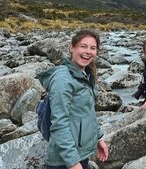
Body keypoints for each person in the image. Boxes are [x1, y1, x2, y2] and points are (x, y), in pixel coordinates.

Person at [38, 29, 109, 169]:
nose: (88, 51)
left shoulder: (85, 74)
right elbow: (59, 124)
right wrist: (73, 163)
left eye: (93, 48)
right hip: (63, 161)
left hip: (80, 153)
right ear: (72, 47)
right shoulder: (62, 80)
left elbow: (87, 112)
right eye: (83, 46)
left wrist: (99, 137)